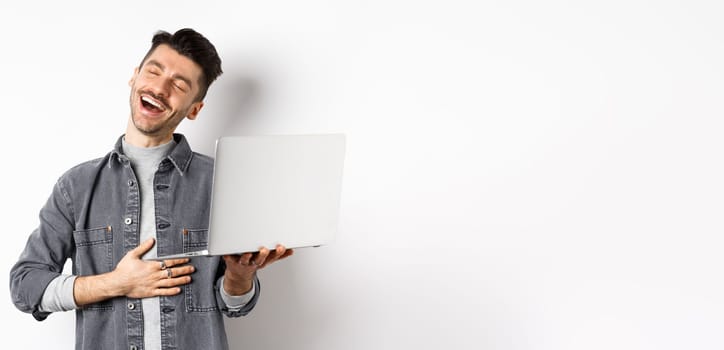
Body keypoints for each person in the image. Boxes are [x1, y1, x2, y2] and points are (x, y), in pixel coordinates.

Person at [9, 28, 293, 350]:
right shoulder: (75, 187)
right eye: (154, 71)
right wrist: (117, 282)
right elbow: (25, 287)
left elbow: (235, 305)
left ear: (195, 108)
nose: (159, 88)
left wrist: (240, 277)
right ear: (134, 77)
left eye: (178, 85)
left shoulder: (223, 183)